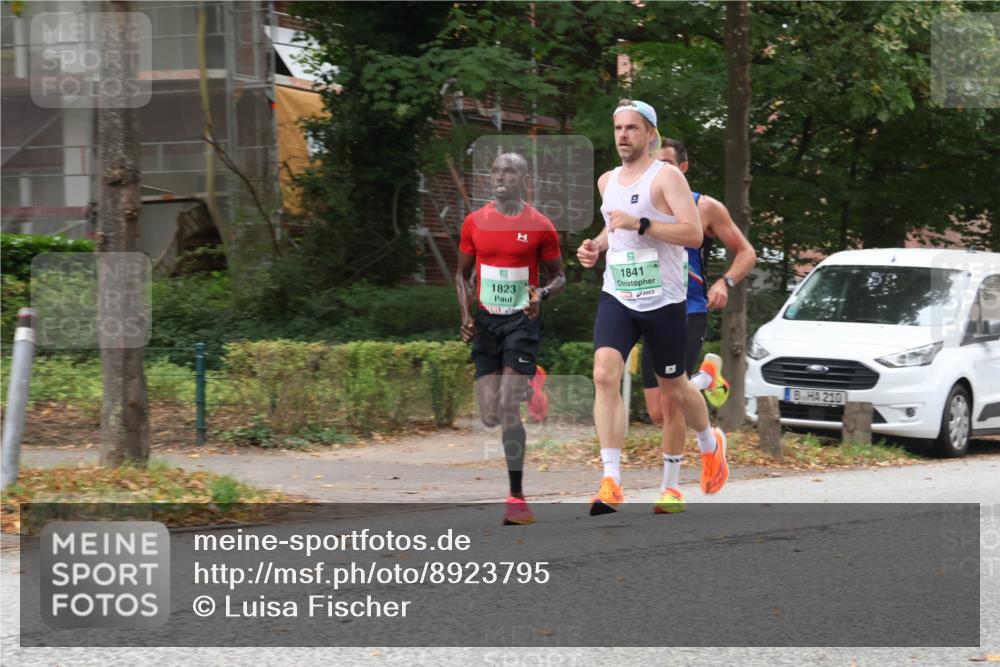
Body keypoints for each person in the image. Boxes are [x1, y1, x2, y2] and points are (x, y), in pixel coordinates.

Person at [576, 100, 726, 516]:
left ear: (649, 134)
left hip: (664, 300)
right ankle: (611, 479)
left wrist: (642, 225)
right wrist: (595, 246)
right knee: (604, 373)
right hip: (619, 294)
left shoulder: (668, 176)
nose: (623, 135)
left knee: (674, 389)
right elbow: (613, 226)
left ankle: (710, 445)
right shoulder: (607, 181)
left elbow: (693, 234)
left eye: (632, 128)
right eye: (618, 128)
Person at [635, 138, 758, 512]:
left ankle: (670, 489)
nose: (661, 171)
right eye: (656, 164)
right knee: (656, 411)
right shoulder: (641, 203)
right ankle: (706, 379)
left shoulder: (706, 207)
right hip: (650, 307)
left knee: (673, 402)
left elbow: (746, 252)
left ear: (683, 169)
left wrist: (725, 282)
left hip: (688, 309)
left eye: (669, 164)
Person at [456, 152, 565, 525]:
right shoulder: (475, 222)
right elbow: (462, 276)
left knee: (506, 408)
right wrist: (466, 316)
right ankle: (533, 382)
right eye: (496, 170)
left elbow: (560, 276)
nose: (501, 176)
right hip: (486, 323)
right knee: (488, 415)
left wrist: (542, 294)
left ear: (524, 179)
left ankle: (516, 498)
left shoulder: (540, 226)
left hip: (522, 322)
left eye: (510, 171)